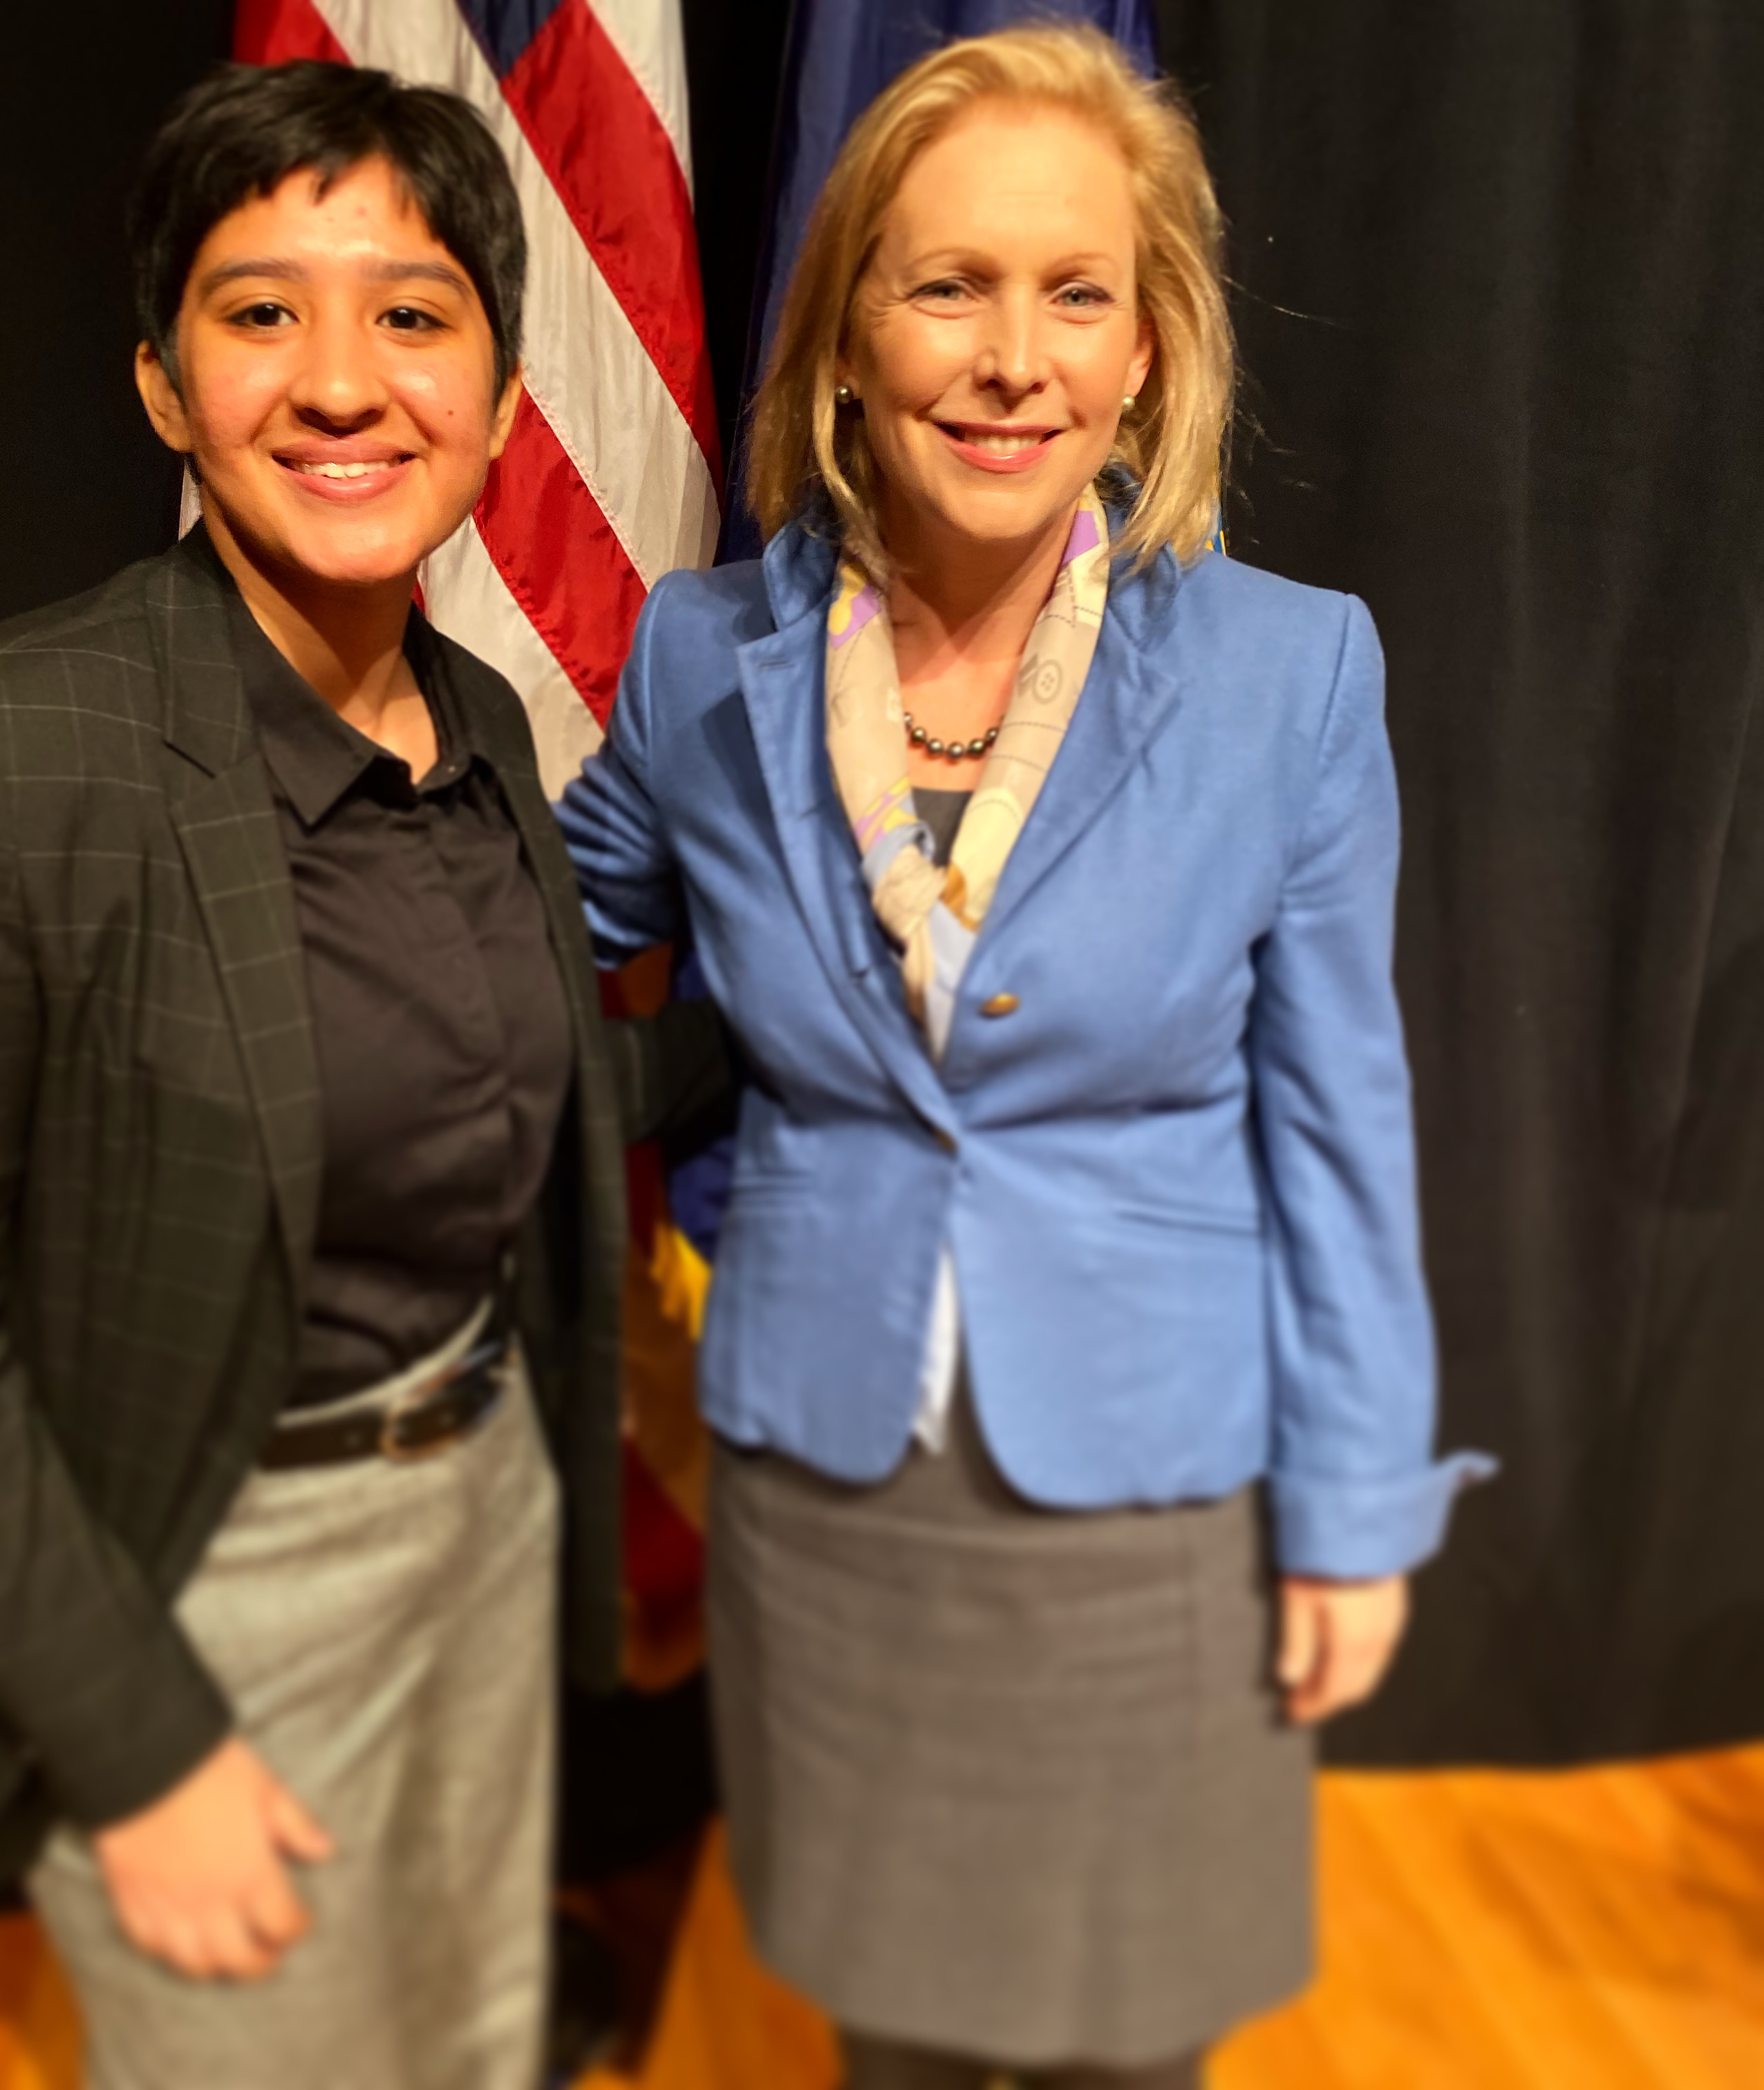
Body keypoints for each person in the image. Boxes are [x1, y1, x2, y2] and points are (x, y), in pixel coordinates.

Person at [557, 25, 1493, 2090]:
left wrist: (1351, 1505)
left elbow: (1342, 1117)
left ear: (1151, 348)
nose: (1012, 355)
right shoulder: (705, 661)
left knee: (1131, 2038)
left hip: (1155, 1505)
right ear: (848, 333)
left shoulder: (1293, 672)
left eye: (1077, 292)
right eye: (947, 284)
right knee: (888, 2027)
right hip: (831, 1491)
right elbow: (538, 929)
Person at [0, 59, 722, 2090]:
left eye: (410, 311)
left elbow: (518, 1098)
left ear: (490, 375)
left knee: (466, 2048)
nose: (340, 378)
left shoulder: (474, 720)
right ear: (159, 382)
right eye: (259, 308)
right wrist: (143, 1753)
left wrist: (812, 1013)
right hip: (203, 1594)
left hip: (478, 1536)